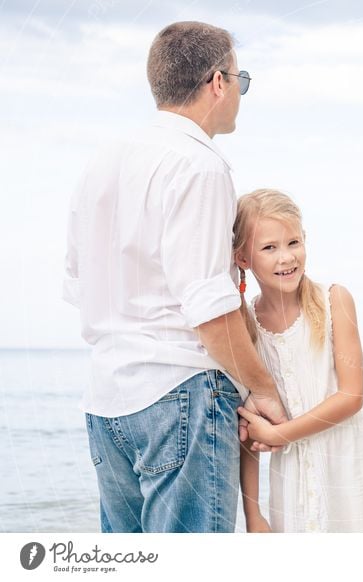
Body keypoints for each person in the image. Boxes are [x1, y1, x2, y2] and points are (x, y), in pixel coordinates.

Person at [62, 21, 287, 533]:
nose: (239, 93)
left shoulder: (103, 160)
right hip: (180, 392)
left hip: (105, 401)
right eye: (240, 79)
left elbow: (78, 282)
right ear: (216, 82)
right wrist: (264, 390)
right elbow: (209, 305)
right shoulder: (200, 164)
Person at [233, 189, 363, 532]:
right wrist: (254, 515)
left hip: (349, 464)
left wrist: (280, 434)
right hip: (292, 478)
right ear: (242, 258)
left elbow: (351, 396)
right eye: (269, 248)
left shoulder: (334, 301)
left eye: (293, 242)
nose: (286, 257)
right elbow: (248, 428)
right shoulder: (245, 324)